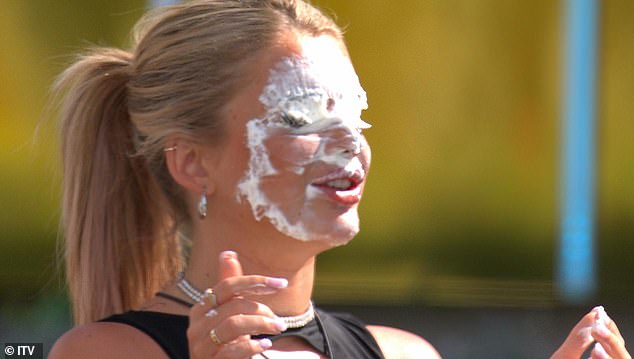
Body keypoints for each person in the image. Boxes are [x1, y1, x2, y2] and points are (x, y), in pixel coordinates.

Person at [47, 1, 629, 358]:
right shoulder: (105, 352)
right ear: (193, 163)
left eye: (357, 115)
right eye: (301, 117)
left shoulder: (405, 353)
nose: (351, 142)